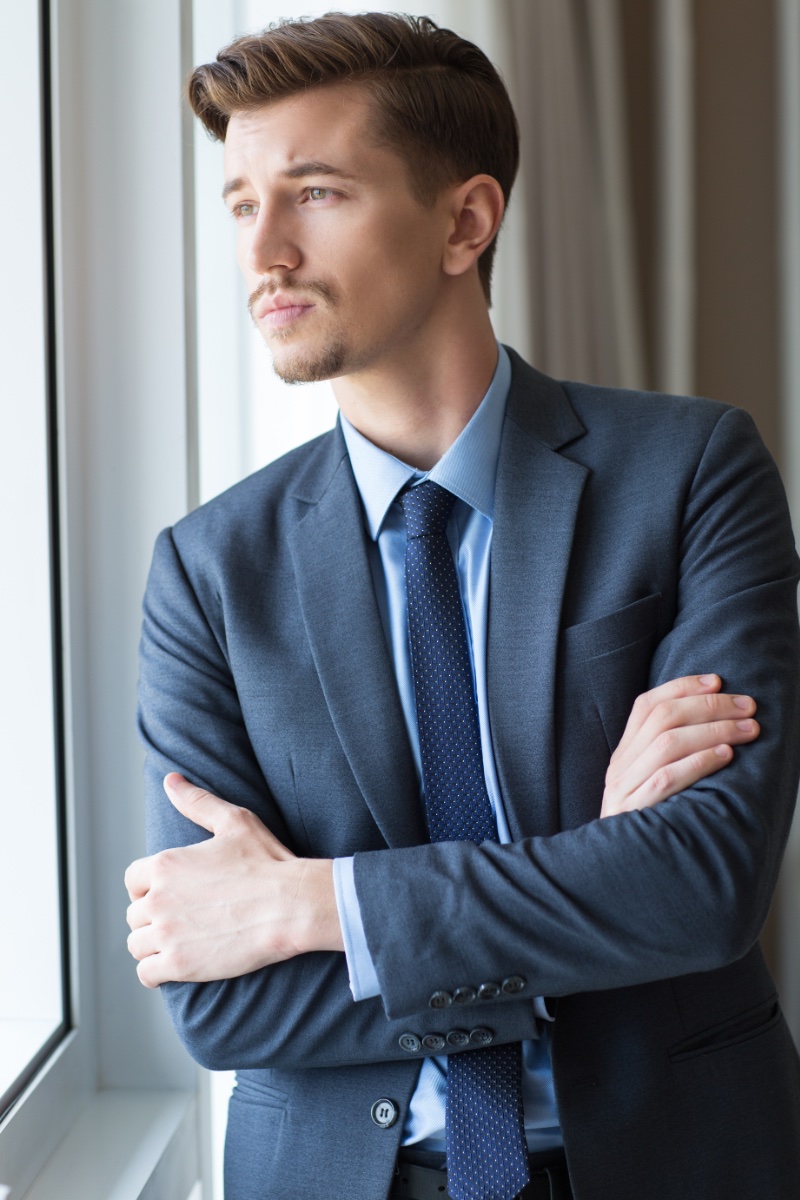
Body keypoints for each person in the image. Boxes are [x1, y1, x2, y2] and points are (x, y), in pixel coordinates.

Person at [124, 13, 800, 1200]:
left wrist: (310, 902)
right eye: (239, 204)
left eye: (315, 192)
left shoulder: (691, 471)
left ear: (465, 220)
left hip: (675, 1159)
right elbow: (214, 991)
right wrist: (586, 887)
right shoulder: (205, 570)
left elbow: (699, 887)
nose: (263, 251)